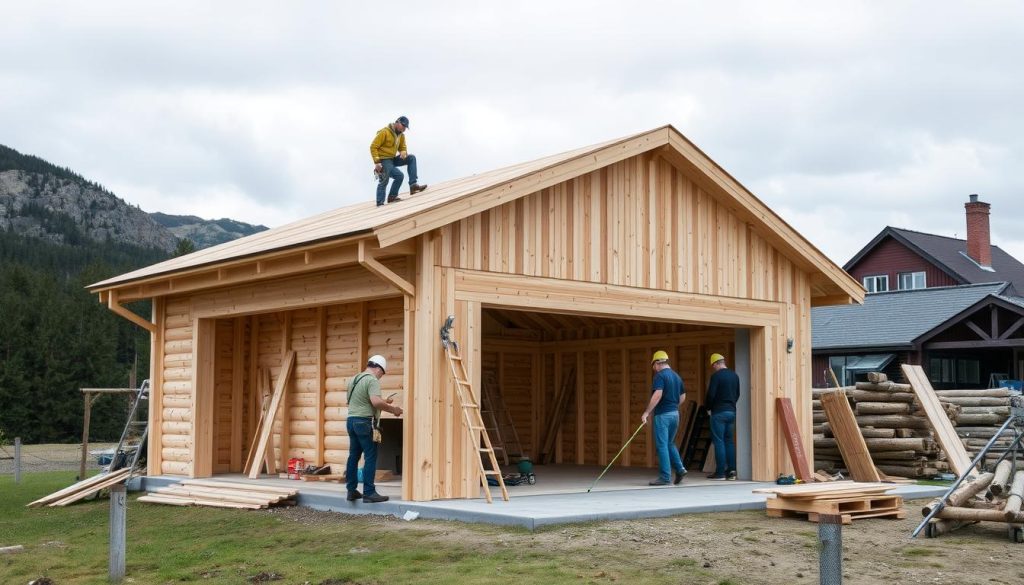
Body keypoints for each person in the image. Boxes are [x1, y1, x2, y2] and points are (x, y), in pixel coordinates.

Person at [345, 354, 403, 503]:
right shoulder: (372, 380)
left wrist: (384, 401)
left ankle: (351, 491)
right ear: (378, 368)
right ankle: (369, 492)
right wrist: (393, 409)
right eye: (382, 373)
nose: (380, 377)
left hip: (352, 421)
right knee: (370, 456)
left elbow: (362, 401)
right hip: (365, 423)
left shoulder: (354, 379)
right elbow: (375, 402)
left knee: (353, 456)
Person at [641, 350, 687, 486]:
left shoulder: (660, 376)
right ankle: (680, 468)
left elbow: (657, 395)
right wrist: (673, 406)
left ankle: (665, 477)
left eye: (653, 365)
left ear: (657, 363)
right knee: (670, 443)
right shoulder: (676, 376)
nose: (654, 369)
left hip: (663, 415)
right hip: (675, 414)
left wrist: (646, 412)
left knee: (662, 445)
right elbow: (683, 397)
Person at [370, 115, 428, 206]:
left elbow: (403, 147)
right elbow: (373, 146)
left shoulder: (401, 135)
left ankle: (412, 185)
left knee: (411, 158)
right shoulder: (384, 132)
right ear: (397, 122)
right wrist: (377, 162)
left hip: (393, 159)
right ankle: (380, 202)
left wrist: (403, 152)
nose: (404, 128)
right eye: (403, 126)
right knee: (395, 177)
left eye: (405, 127)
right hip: (384, 160)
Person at [705, 353, 740, 480]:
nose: (713, 368)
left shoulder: (716, 376)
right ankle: (732, 471)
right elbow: (737, 394)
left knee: (718, 441)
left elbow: (711, 395)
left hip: (718, 413)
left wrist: (708, 408)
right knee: (729, 441)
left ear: (715, 364)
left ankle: (719, 473)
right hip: (731, 412)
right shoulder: (734, 376)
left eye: (713, 366)